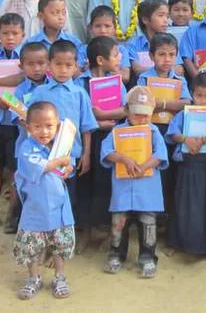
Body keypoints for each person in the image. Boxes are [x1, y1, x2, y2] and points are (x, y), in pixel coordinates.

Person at [101, 86, 169, 278]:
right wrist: (124, 159)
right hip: (123, 190)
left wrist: (145, 165)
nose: (142, 119)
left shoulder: (154, 131)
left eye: (146, 115)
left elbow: (160, 155)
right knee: (118, 224)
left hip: (147, 190)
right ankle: (116, 255)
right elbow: (106, 151)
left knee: (148, 224)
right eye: (137, 114)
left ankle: (148, 258)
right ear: (126, 111)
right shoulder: (117, 132)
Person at [13, 101, 75, 300]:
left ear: (57, 126)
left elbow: (67, 165)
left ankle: (59, 277)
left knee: (60, 245)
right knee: (31, 246)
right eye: (37, 126)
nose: (44, 131)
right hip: (36, 209)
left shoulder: (60, 146)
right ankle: (33, 278)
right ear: (28, 127)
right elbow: (42, 166)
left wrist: (68, 167)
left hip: (59, 207)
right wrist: (61, 162)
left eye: (49, 126)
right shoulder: (26, 148)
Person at [73, 36, 128, 253]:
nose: (119, 58)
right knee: (85, 183)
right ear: (100, 59)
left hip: (111, 140)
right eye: (115, 55)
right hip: (88, 139)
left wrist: (103, 115)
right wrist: (97, 121)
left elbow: (126, 109)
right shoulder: (80, 83)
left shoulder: (116, 81)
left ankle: (106, 233)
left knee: (106, 184)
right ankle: (85, 232)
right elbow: (78, 115)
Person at [27, 40, 98, 191]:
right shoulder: (40, 92)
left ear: (76, 67)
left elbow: (86, 127)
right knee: (46, 195)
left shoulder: (80, 94)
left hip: (72, 156)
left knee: (70, 198)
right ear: (49, 65)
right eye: (58, 64)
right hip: (43, 154)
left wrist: (86, 155)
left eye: (68, 65)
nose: (63, 70)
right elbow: (28, 120)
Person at [165, 72, 206, 255]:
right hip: (187, 167)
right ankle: (178, 243)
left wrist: (204, 140)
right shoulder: (183, 114)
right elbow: (173, 134)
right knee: (183, 205)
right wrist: (187, 140)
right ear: (192, 94)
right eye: (199, 95)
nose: (203, 100)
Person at [4, 42, 49, 234]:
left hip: (49, 146)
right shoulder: (21, 90)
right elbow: (17, 116)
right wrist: (33, 128)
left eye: (41, 63)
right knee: (21, 182)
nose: (37, 68)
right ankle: (13, 218)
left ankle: (40, 222)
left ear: (48, 63)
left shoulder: (52, 87)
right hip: (26, 145)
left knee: (43, 183)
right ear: (22, 67)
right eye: (31, 64)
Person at [137, 33, 191, 135]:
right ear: (151, 56)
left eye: (171, 55)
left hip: (174, 128)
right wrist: (173, 105)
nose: (167, 59)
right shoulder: (144, 79)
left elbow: (186, 103)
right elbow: (142, 104)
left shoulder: (179, 80)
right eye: (161, 54)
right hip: (150, 127)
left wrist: (162, 104)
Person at [0, 14, 25, 230]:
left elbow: (22, 78)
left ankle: (12, 216)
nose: (10, 38)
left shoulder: (25, 58)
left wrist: (5, 99)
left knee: (13, 169)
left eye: (15, 33)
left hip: (14, 121)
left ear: (23, 35)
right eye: (5, 33)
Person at [79, 5, 131, 84]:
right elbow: (76, 74)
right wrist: (90, 72)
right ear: (90, 28)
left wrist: (108, 69)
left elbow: (125, 77)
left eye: (107, 26)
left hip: (114, 87)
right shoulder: (83, 50)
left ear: (115, 28)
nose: (103, 30)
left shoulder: (121, 50)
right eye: (98, 26)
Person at [128, 0, 172, 78]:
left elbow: (179, 69)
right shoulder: (133, 44)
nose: (166, 20)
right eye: (161, 15)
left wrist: (151, 70)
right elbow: (138, 69)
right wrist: (164, 70)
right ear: (145, 20)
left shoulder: (171, 41)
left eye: (167, 16)